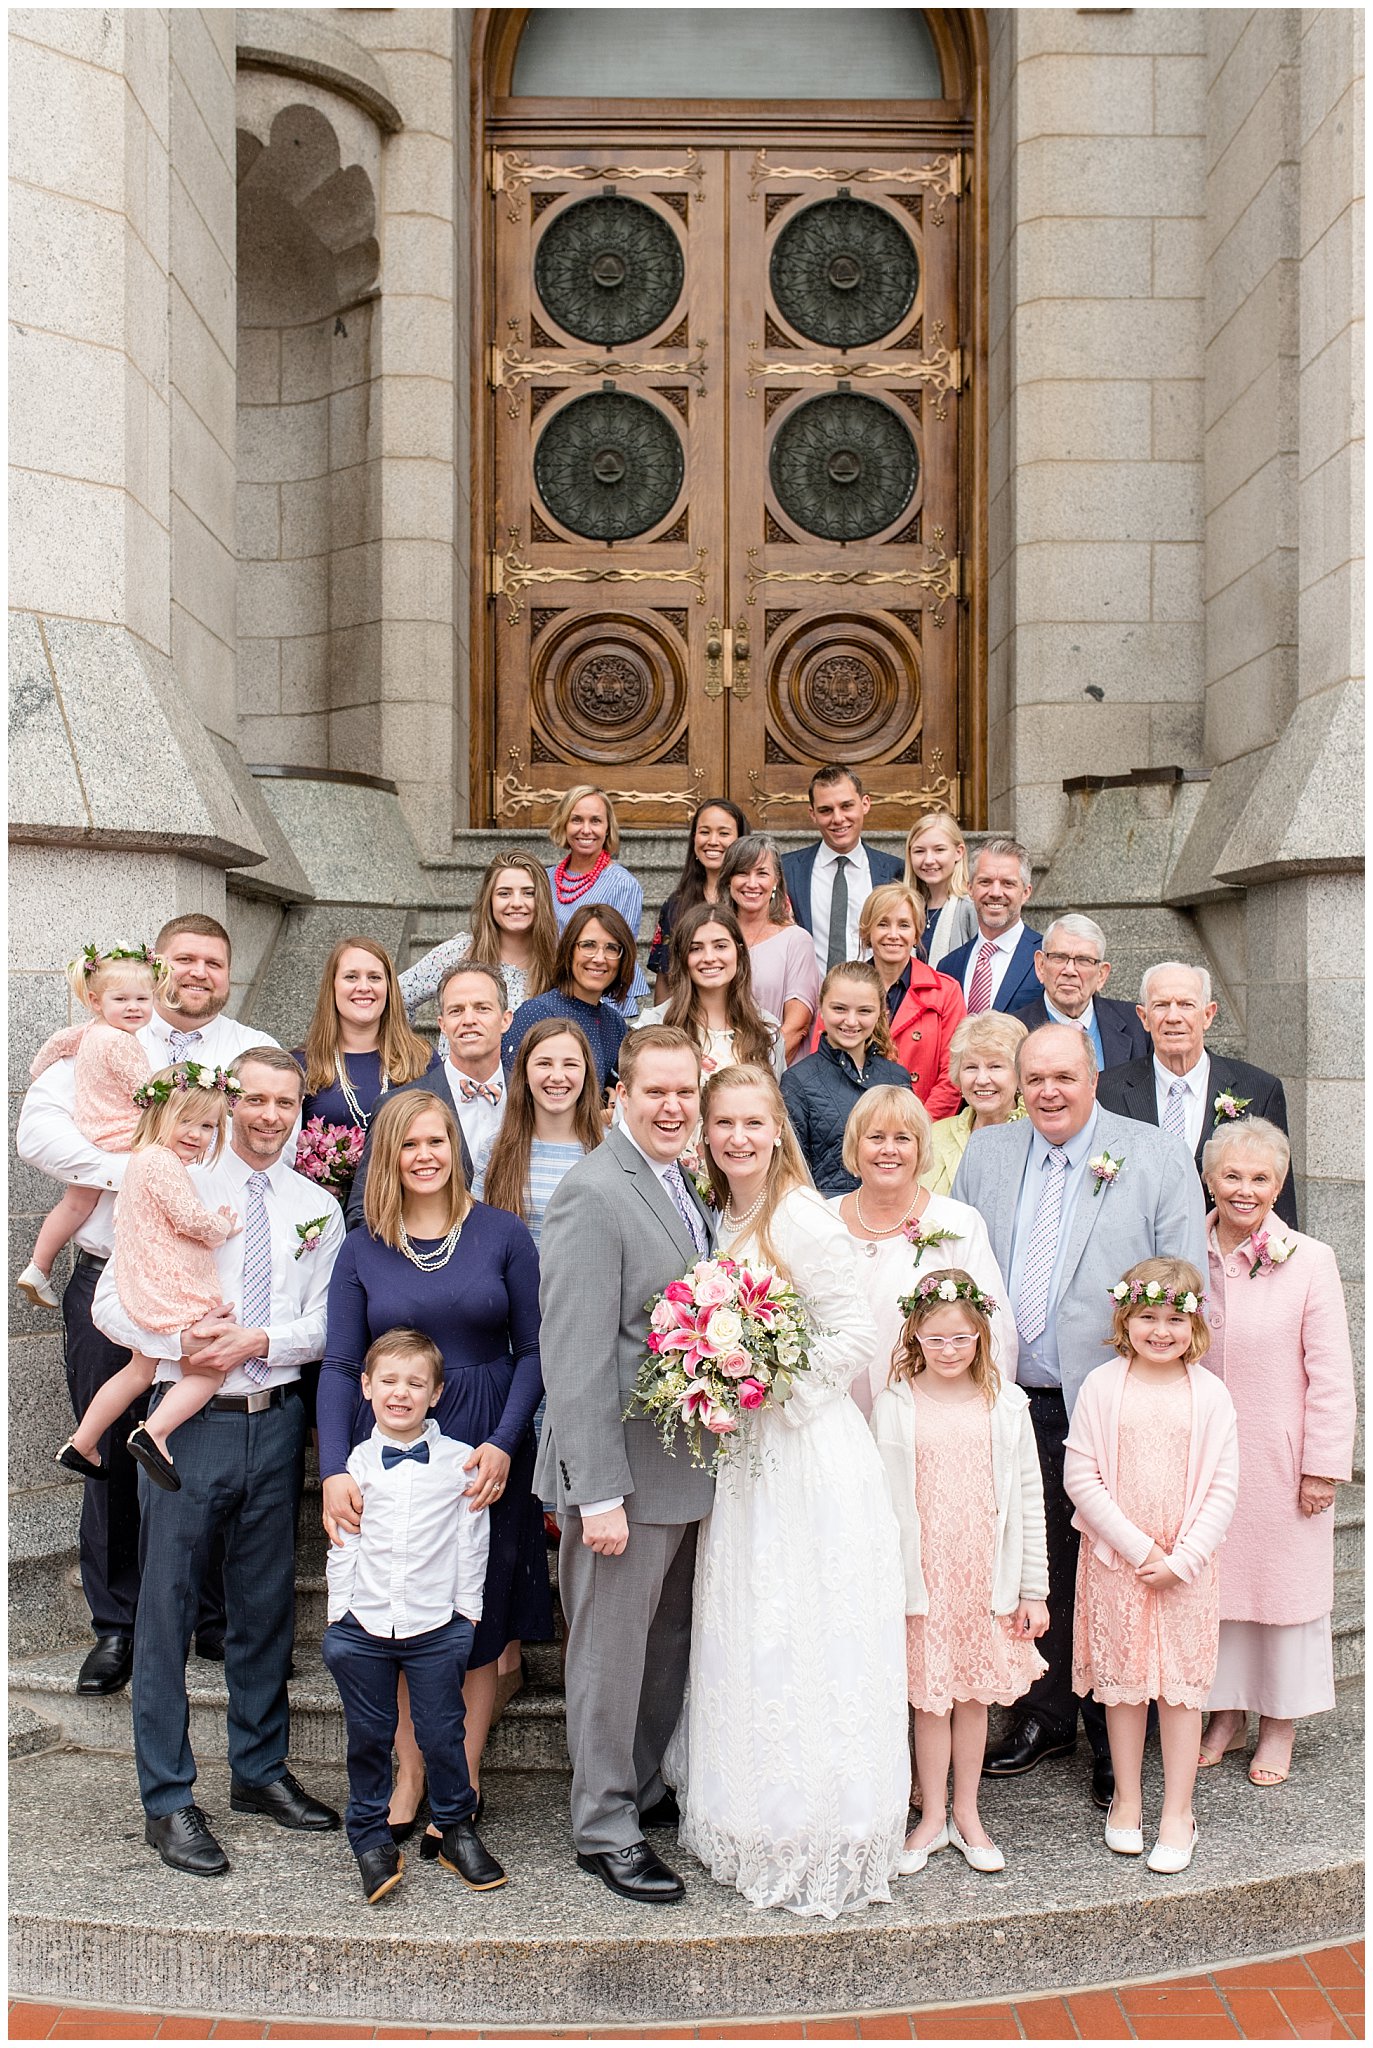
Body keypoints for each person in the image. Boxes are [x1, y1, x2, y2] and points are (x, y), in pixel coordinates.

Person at [91, 1045, 345, 1875]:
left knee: (265, 1606)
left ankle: (259, 1771)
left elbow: (327, 1324)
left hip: (275, 1423)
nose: (269, 1116)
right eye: (256, 1100)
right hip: (185, 1426)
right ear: (231, 1100)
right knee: (163, 1610)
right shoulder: (176, 1176)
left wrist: (263, 1338)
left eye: (285, 1103)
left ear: (300, 1111)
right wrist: (183, 1340)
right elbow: (108, 1300)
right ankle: (166, 1800)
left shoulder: (318, 1208)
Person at [16, 913, 280, 1696]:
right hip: (111, 1277)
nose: (197, 972)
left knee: (198, 1456)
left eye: (213, 960)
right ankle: (118, 1623)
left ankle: (206, 1617)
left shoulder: (248, 1048)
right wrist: (143, 1167)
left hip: (207, 1290)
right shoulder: (108, 1038)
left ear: (227, 972)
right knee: (105, 1452)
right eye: (184, 960)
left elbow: (274, 1148)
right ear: (157, 969)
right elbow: (37, 1135)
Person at [672, 1063, 908, 1916]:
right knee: (753, 1625)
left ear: (779, 1130)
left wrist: (768, 1379)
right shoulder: (718, 1213)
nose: (736, 1137)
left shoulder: (799, 1216)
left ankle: (823, 1823)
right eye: (722, 1123)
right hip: (746, 1461)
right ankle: (751, 1811)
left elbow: (853, 1332)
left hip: (806, 1452)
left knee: (804, 1630)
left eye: (752, 1123)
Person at [952, 1023, 1207, 1810]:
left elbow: (1185, 1274)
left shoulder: (1153, 1154)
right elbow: (956, 1262)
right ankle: (1043, 1713)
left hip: (1110, 1400)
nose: (1049, 1093)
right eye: (1035, 1080)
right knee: (1034, 1558)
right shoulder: (987, 1153)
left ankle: (1112, 1733)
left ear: (1093, 1076)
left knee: (1105, 1569)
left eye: (1064, 1076)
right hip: (1005, 1397)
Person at [320, 1089, 551, 1850]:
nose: (424, 1156)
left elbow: (535, 1349)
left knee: (472, 1610)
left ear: (456, 1148)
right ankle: (411, 1771)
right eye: (408, 1144)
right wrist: (331, 1471)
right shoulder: (361, 1247)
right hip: (384, 1444)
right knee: (400, 1603)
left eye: (436, 1141)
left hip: (486, 1439)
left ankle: (467, 1767)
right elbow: (341, 1364)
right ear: (387, 1157)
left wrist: (506, 1442)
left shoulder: (503, 1233)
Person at [536, 1026, 715, 1905]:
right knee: (609, 1655)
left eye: (685, 1092)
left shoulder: (678, 1183)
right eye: (656, 1093)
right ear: (619, 1096)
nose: (674, 1106)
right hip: (622, 1479)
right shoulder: (591, 1194)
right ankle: (602, 1827)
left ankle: (641, 1791)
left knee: (665, 1647)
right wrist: (595, 1491)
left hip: (683, 1470)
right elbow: (572, 1359)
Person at [871, 1270, 1049, 1877]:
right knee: (928, 1701)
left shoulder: (1006, 1403)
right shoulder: (895, 1405)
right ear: (915, 1335)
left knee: (972, 1699)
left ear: (982, 1336)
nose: (950, 1350)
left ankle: (968, 1813)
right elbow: (878, 1500)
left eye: (962, 1338)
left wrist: (1034, 1588)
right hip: (923, 1579)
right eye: (937, 1338)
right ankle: (928, 1818)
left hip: (983, 1578)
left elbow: (1029, 1496)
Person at [1196, 1118, 1356, 1787]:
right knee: (1220, 1594)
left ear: (1278, 1184)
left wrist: (1321, 1465)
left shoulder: (1308, 1260)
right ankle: (1226, 1713)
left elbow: (1331, 1373)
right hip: (1206, 1460)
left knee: (1282, 1597)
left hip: (1280, 1462)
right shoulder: (1184, 1251)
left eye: (1258, 1178)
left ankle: (1279, 1725)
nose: (1243, 1190)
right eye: (1231, 1175)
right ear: (1208, 1179)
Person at [1066, 1258, 1239, 1874]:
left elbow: (1222, 1486)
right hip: (1120, 1563)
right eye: (1147, 1317)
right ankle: (1128, 1802)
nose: (1160, 1330)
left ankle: (1178, 1810)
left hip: (1186, 1570)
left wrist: (1183, 1559)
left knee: (1180, 1690)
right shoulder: (1102, 1386)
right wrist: (1140, 1550)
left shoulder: (1211, 1395)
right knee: (1125, 1686)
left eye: (1174, 1318)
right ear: (1126, 1318)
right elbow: (1080, 1476)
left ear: (1194, 1325)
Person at [320, 1329, 504, 1903]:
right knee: (369, 1737)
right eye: (389, 1382)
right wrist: (338, 1619)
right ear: (367, 1387)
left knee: (443, 1734)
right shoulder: (352, 1465)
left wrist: (465, 1617)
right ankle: (371, 1839)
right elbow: (342, 1542)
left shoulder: (458, 1463)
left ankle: (455, 1828)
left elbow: (473, 1539)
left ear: (437, 1393)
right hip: (364, 1624)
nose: (401, 1394)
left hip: (435, 1627)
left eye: (415, 1384)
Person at [57, 1063, 241, 1491]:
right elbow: (188, 1217)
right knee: (208, 1371)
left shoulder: (143, 1161)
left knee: (140, 1371)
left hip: (144, 1281)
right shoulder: (160, 1162)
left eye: (208, 1126)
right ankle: (153, 1433)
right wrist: (221, 1226)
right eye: (187, 1121)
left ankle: (82, 1442)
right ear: (159, 1114)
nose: (197, 1134)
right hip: (167, 1284)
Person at [479, 1017, 606, 1531]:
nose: (557, 1076)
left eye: (570, 1064)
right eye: (544, 1063)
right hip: (518, 1332)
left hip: (585, 1328)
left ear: (587, 1074)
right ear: (523, 1072)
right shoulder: (497, 1151)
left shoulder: (609, 1150)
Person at [830, 1087, 1015, 1418]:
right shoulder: (821, 1221)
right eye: (875, 1137)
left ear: (920, 1147)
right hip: (834, 1417)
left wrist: (984, 1418)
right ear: (855, 1145)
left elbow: (992, 1329)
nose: (889, 1150)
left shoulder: (958, 1222)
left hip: (928, 1417)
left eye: (903, 1138)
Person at [1096, 961, 1299, 1229]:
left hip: (1229, 1258)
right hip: (1137, 1261)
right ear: (1143, 1017)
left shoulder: (1259, 1089)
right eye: (1161, 1005)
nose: (1173, 1016)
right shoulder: (1106, 1090)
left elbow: (1278, 1195)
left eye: (1186, 1004)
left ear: (1208, 1015)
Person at [20, 944, 166, 1309]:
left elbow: (53, 1047)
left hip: (93, 1130)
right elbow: (146, 1091)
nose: (134, 1007)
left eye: (142, 999)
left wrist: (36, 1073)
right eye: (122, 999)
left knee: (75, 1204)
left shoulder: (86, 1032)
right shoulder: (123, 1043)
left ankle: (39, 1266)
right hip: (124, 1133)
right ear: (96, 1000)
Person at [344, 963, 502, 1227]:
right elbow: (363, 1212)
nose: (469, 1019)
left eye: (482, 1008)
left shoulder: (533, 1097)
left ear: (506, 1018)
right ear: (442, 1024)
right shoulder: (394, 1106)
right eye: (456, 1010)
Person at [779, 961, 911, 1195]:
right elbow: (791, 1171)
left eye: (864, 1011)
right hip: (827, 1218)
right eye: (839, 1009)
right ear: (821, 1007)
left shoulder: (897, 1077)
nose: (851, 1021)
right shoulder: (798, 1081)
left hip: (892, 1213)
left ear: (881, 1011)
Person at [295, 936, 438, 1136]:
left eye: (374, 977)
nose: (364, 987)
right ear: (332, 986)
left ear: (389, 988)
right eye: (351, 977)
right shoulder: (300, 1065)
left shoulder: (422, 1058)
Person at [400, 852, 558, 1026]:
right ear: (489, 900)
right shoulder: (457, 953)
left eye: (528, 893)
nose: (516, 903)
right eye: (504, 893)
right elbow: (395, 997)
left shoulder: (557, 964)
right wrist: (411, 1051)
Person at [634, 902, 785, 1080]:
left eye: (720, 946)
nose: (709, 958)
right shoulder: (653, 1025)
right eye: (696, 949)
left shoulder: (766, 1030)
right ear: (682, 958)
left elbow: (778, 1105)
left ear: (739, 951)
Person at [780, 765, 904, 976]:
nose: (838, 818)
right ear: (813, 814)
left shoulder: (895, 871)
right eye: (826, 810)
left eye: (846, 806)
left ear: (865, 804)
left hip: (875, 998)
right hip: (806, 999)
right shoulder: (786, 869)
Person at [855, 882, 964, 1117]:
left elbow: (952, 1075)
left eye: (904, 925)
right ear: (867, 932)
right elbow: (825, 1065)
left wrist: (919, 1128)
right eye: (883, 924)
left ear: (916, 933)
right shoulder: (844, 988)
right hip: (858, 1127)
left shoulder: (946, 991)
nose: (893, 935)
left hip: (925, 1126)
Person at [501, 903, 634, 1092]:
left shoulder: (615, 1024)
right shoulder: (536, 1013)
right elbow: (511, 1092)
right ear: (569, 951)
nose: (599, 958)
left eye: (612, 948)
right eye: (588, 945)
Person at [545, 784, 650, 1016]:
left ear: (607, 828)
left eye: (595, 821)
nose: (586, 829)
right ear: (564, 823)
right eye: (576, 820)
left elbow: (619, 954)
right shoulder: (546, 879)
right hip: (552, 995)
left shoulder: (623, 884)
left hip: (604, 1002)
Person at [720, 833, 820, 1063]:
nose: (752, 883)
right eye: (742, 872)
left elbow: (796, 1028)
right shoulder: (713, 936)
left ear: (776, 881)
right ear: (728, 879)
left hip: (770, 1073)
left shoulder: (796, 940)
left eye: (762, 873)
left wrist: (755, 1072)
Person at [1013, 915, 1148, 1070]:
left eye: (1084, 960)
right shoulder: (1014, 1031)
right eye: (1059, 957)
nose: (1069, 970)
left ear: (1102, 975)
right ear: (1040, 965)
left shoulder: (1138, 1024)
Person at [647, 797, 749, 998]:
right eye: (704, 832)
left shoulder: (754, 899)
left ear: (740, 840)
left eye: (724, 833)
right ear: (694, 838)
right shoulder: (676, 905)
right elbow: (666, 977)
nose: (712, 841)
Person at [921, 1012, 1028, 1198]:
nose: (982, 1079)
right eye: (971, 1067)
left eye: (995, 1066)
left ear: (1019, 1074)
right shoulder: (933, 1136)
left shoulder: (1038, 1134)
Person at [939, 838, 1043, 1017]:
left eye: (1008, 883)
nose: (995, 893)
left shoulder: (1048, 958)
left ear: (1025, 893)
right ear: (970, 888)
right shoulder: (949, 966)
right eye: (985, 882)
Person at [904, 808, 978, 971]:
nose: (929, 860)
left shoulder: (971, 907)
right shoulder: (909, 908)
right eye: (919, 851)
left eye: (939, 850)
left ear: (959, 852)